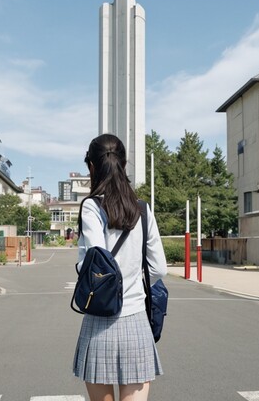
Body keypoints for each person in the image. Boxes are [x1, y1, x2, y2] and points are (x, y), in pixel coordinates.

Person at [72, 134, 167, 401]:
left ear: (92, 166)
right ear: (123, 165)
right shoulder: (143, 210)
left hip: (99, 321)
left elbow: (96, 262)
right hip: (137, 320)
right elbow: (159, 267)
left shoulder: (92, 207)